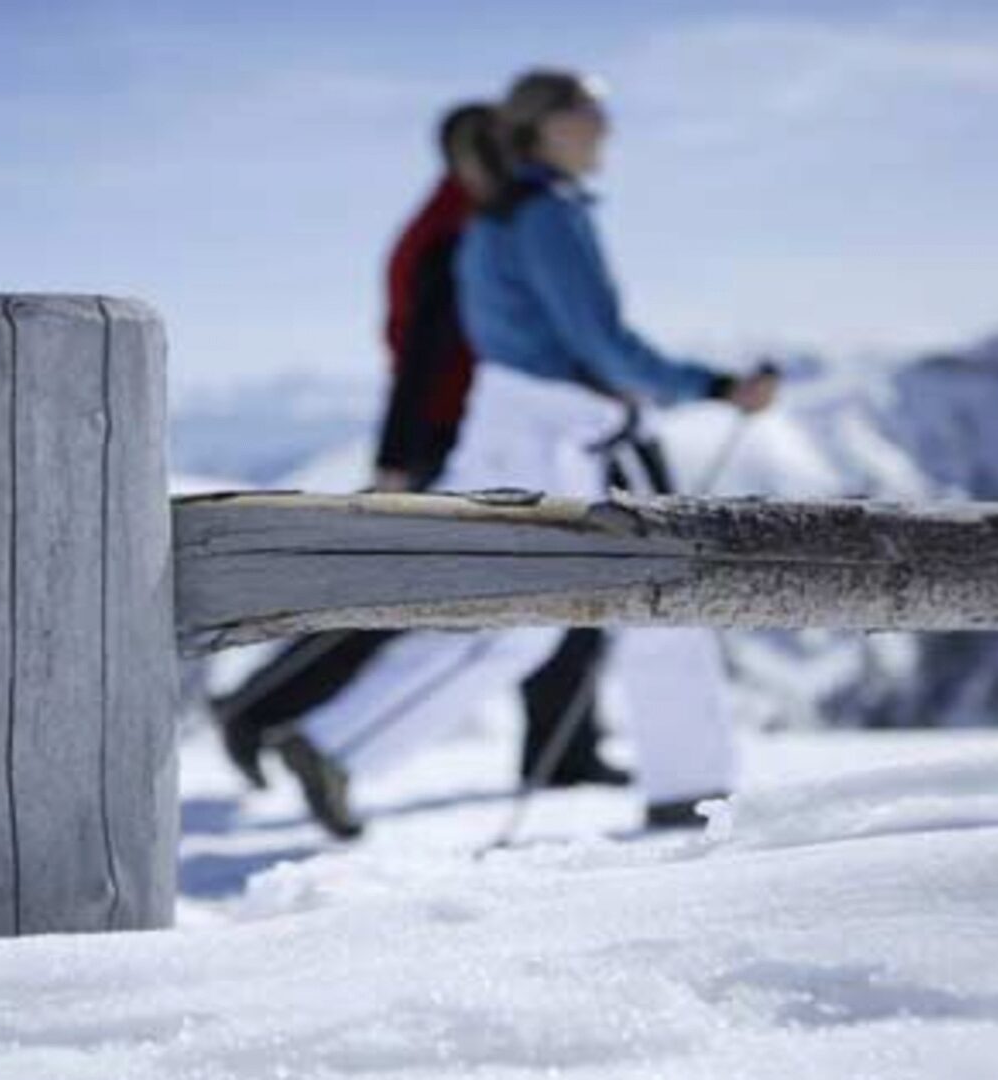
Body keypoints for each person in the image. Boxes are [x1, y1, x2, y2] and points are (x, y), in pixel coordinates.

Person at [275, 69, 778, 840]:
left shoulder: (500, 216)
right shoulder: (545, 215)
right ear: (549, 125)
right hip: (561, 431)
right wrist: (714, 385)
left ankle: (338, 743)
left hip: (514, 424)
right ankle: (694, 791)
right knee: (664, 603)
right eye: (594, 112)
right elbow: (603, 346)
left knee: (517, 626)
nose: (607, 127)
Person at [212, 101, 628, 798]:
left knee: (566, 581)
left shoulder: (471, 223)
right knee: (406, 595)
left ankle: (565, 750)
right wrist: (397, 457)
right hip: (461, 439)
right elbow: (422, 356)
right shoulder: (459, 232)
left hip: (498, 432)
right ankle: (256, 710)